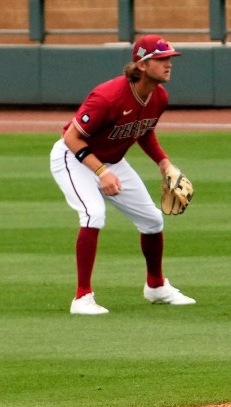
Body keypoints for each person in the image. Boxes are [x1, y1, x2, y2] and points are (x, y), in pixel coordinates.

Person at [50, 34, 197, 315]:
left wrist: (164, 163)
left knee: (153, 220)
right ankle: (82, 297)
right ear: (142, 65)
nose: (169, 64)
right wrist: (102, 172)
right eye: (161, 59)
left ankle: (156, 286)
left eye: (170, 59)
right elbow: (72, 138)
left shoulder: (159, 97)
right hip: (73, 159)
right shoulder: (108, 96)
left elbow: (143, 130)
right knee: (94, 213)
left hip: (111, 162)